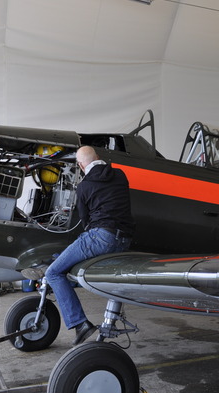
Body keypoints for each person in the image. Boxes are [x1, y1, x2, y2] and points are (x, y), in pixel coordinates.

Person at [45, 145, 135, 345]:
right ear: (99, 157)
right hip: (125, 240)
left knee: (53, 272)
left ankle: (80, 324)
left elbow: (85, 222)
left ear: (80, 165)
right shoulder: (120, 175)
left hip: (102, 237)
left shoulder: (84, 186)